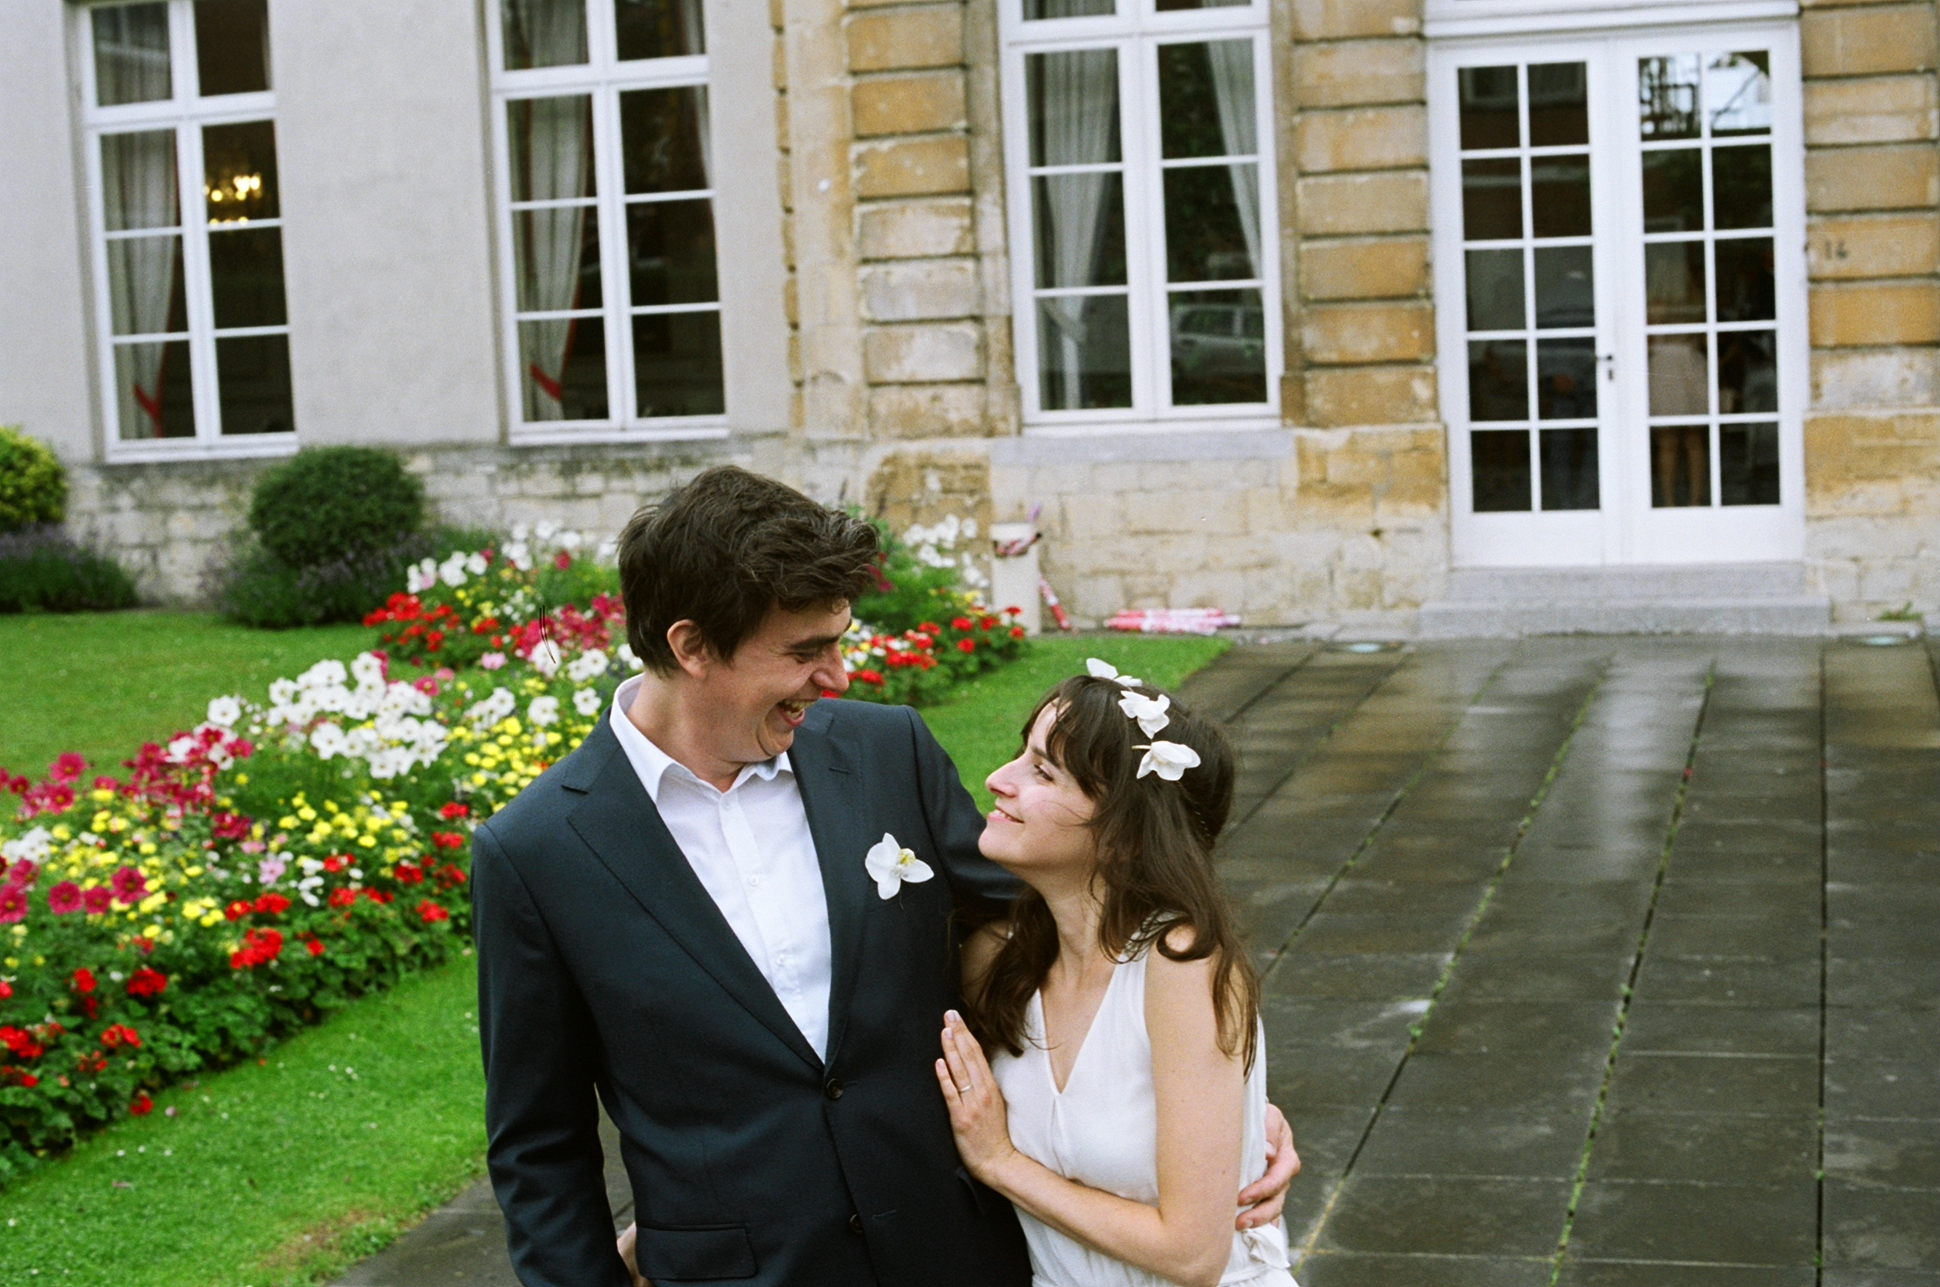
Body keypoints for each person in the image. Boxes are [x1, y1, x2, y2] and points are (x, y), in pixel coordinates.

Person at [472, 466, 1296, 1287]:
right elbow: (540, 1148)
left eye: (838, 639)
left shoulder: (885, 752)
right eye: (805, 651)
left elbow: (1064, 931)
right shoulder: (538, 852)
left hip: (959, 1259)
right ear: (691, 647)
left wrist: (1213, 1107)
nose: (837, 676)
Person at [935, 666, 1298, 1287]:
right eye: (1022, 756)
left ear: (1126, 833)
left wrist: (1000, 1162)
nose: (998, 780)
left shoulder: (1180, 962)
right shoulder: (1000, 962)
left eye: (1043, 771)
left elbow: (1192, 1255)